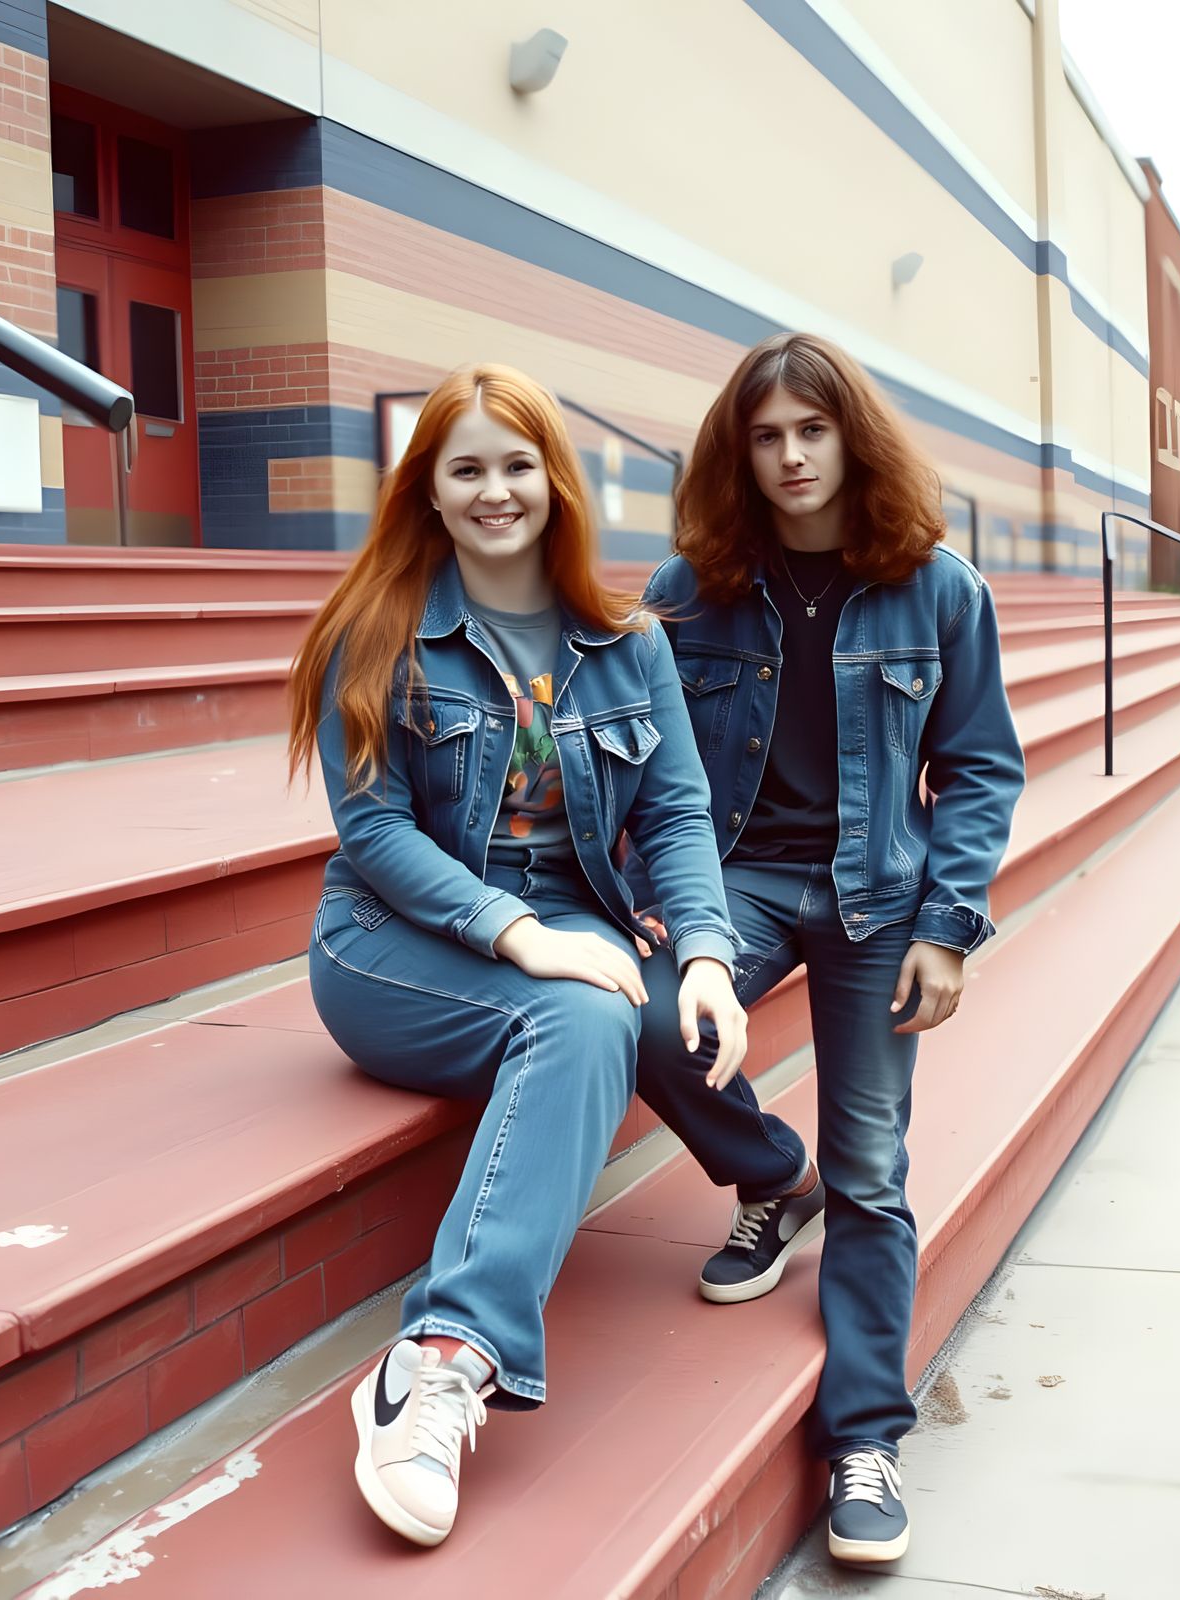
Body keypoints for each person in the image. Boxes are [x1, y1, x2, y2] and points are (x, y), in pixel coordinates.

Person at [287, 364, 747, 1549]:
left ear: (556, 478)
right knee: (589, 1012)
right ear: (428, 494)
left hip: (567, 913)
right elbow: (375, 831)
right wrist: (521, 934)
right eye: (466, 469)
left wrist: (701, 950)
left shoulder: (628, 640)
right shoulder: (377, 631)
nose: (496, 490)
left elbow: (681, 814)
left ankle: (776, 1171)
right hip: (392, 940)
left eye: (517, 464)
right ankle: (440, 1360)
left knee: (643, 1002)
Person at [630, 332, 1025, 1564]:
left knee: (873, 1169)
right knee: (640, 1014)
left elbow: (977, 769)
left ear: (852, 437)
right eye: (766, 435)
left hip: (875, 896)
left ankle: (866, 1440)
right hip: (731, 880)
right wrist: (641, 891)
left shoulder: (937, 586)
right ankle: (766, 1172)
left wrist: (949, 928)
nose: (792, 455)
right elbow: (633, 756)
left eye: (813, 429)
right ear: (735, 453)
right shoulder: (686, 590)